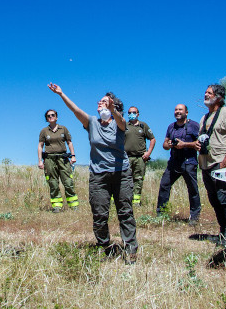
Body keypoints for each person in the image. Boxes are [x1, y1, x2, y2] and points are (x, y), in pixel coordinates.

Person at [48, 83, 138, 264]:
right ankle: (105, 247)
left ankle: (130, 250)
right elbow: (75, 110)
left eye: (104, 102)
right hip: (98, 176)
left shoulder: (120, 123)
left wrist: (113, 109)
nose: (100, 103)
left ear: (113, 106)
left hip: (121, 174)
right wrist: (61, 94)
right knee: (99, 214)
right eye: (100, 101)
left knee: (125, 212)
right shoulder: (91, 123)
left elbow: (120, 121)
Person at [196, 84, 226, 245]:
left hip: (220, 162)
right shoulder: (204, 118)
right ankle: (223, 230)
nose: (206, 95)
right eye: (205, 92)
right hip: (206, 163)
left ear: (219, 97)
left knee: (224, 197)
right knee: (214, 198)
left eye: (209, 93)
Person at [156, 104, 201, 225]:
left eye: (180, 110)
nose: (177, 112)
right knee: (164, 185)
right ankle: (161, 214)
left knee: (192, 189)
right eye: (176, 110)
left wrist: (184, 144)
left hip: (189, 162)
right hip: (174, 162)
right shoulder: (171, 127)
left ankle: (194, 217)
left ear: (186, 112)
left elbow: (199, 144)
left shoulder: (194, 125)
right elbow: (164, 145)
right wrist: (169, 144)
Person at [37, 109, 79, 212]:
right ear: (46, 119)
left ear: (56, 117)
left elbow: (69, 142)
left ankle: (74, 206)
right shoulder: (44, 131)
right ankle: (57, 206)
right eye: (48, 116)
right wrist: (40, 161)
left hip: (63, 159)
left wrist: (73, 156)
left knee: (68, 182)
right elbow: (40, 146)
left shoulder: (63, 129)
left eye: (53, 115)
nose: (50, 117)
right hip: (49, 160)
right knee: (53, 183)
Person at [124, 106, 156, 206]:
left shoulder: (143, 126)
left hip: (140, 158)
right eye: (129, 112)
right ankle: (125, 201)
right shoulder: (124, 125)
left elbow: (152, 139)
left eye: (134, 112)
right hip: (126, 158)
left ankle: (136, 201)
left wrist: (148, 153)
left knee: (138, 179)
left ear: (138, 114)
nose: (131, 114)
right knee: (125, 179)